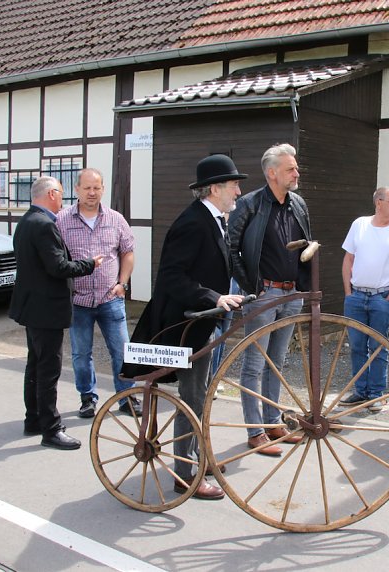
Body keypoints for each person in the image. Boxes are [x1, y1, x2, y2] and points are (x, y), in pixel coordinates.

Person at [122, 154, 247, 501]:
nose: (238, 191)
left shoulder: (214, 220)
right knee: (192, 398)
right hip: (183, 325)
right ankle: (185, 474)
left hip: (203, 320)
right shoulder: (192, 222)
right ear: (215, 189)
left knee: (201, 395)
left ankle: (197, 459)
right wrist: (214, 297)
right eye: (233, 185)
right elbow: (172, 277)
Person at [228, 143, 311, 457]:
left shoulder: (298, 203)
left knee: (276, 363)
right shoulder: (250, 204)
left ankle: (273, 423)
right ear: (272, 173)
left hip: (291, 293)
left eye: (296, 168)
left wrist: (302, 285)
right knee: (254, 364)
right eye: (291, 169)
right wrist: (252, 286)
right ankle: (255, 431)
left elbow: (307, 244)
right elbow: (231, 247)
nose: (296, 173)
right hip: (264, 294)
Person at [9, 176, 103, 450]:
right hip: (46, 309)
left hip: (32, 307)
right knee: (48, 370)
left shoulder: (27, 221)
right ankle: (50, 429)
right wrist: (89, 264)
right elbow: (58, 267)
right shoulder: (44, 224)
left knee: (35, 366)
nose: (63, 200)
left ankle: (34, 419)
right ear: (51, 194)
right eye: (61, 194)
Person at [56, 168, 138, 419]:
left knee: (122, 351)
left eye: (96, 188)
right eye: (87, 188)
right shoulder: (61, 220)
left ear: (103, 189)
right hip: (78, 300)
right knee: (81, 354)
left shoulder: (116, 219)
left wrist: (123, 283)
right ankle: (87, 398)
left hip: (110, 299)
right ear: (77, 189)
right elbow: (56, 258)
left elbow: (128, 252)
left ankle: (126, 398)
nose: (92, 193)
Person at [340, 186, 389, 412]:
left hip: (381, 296)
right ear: (378, 202)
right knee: (357, 346)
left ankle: (376, 394)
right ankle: (360, 391)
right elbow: (348, 260)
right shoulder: (359, 224)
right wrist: (348, 292)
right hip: (356, 296)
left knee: (379, 346)